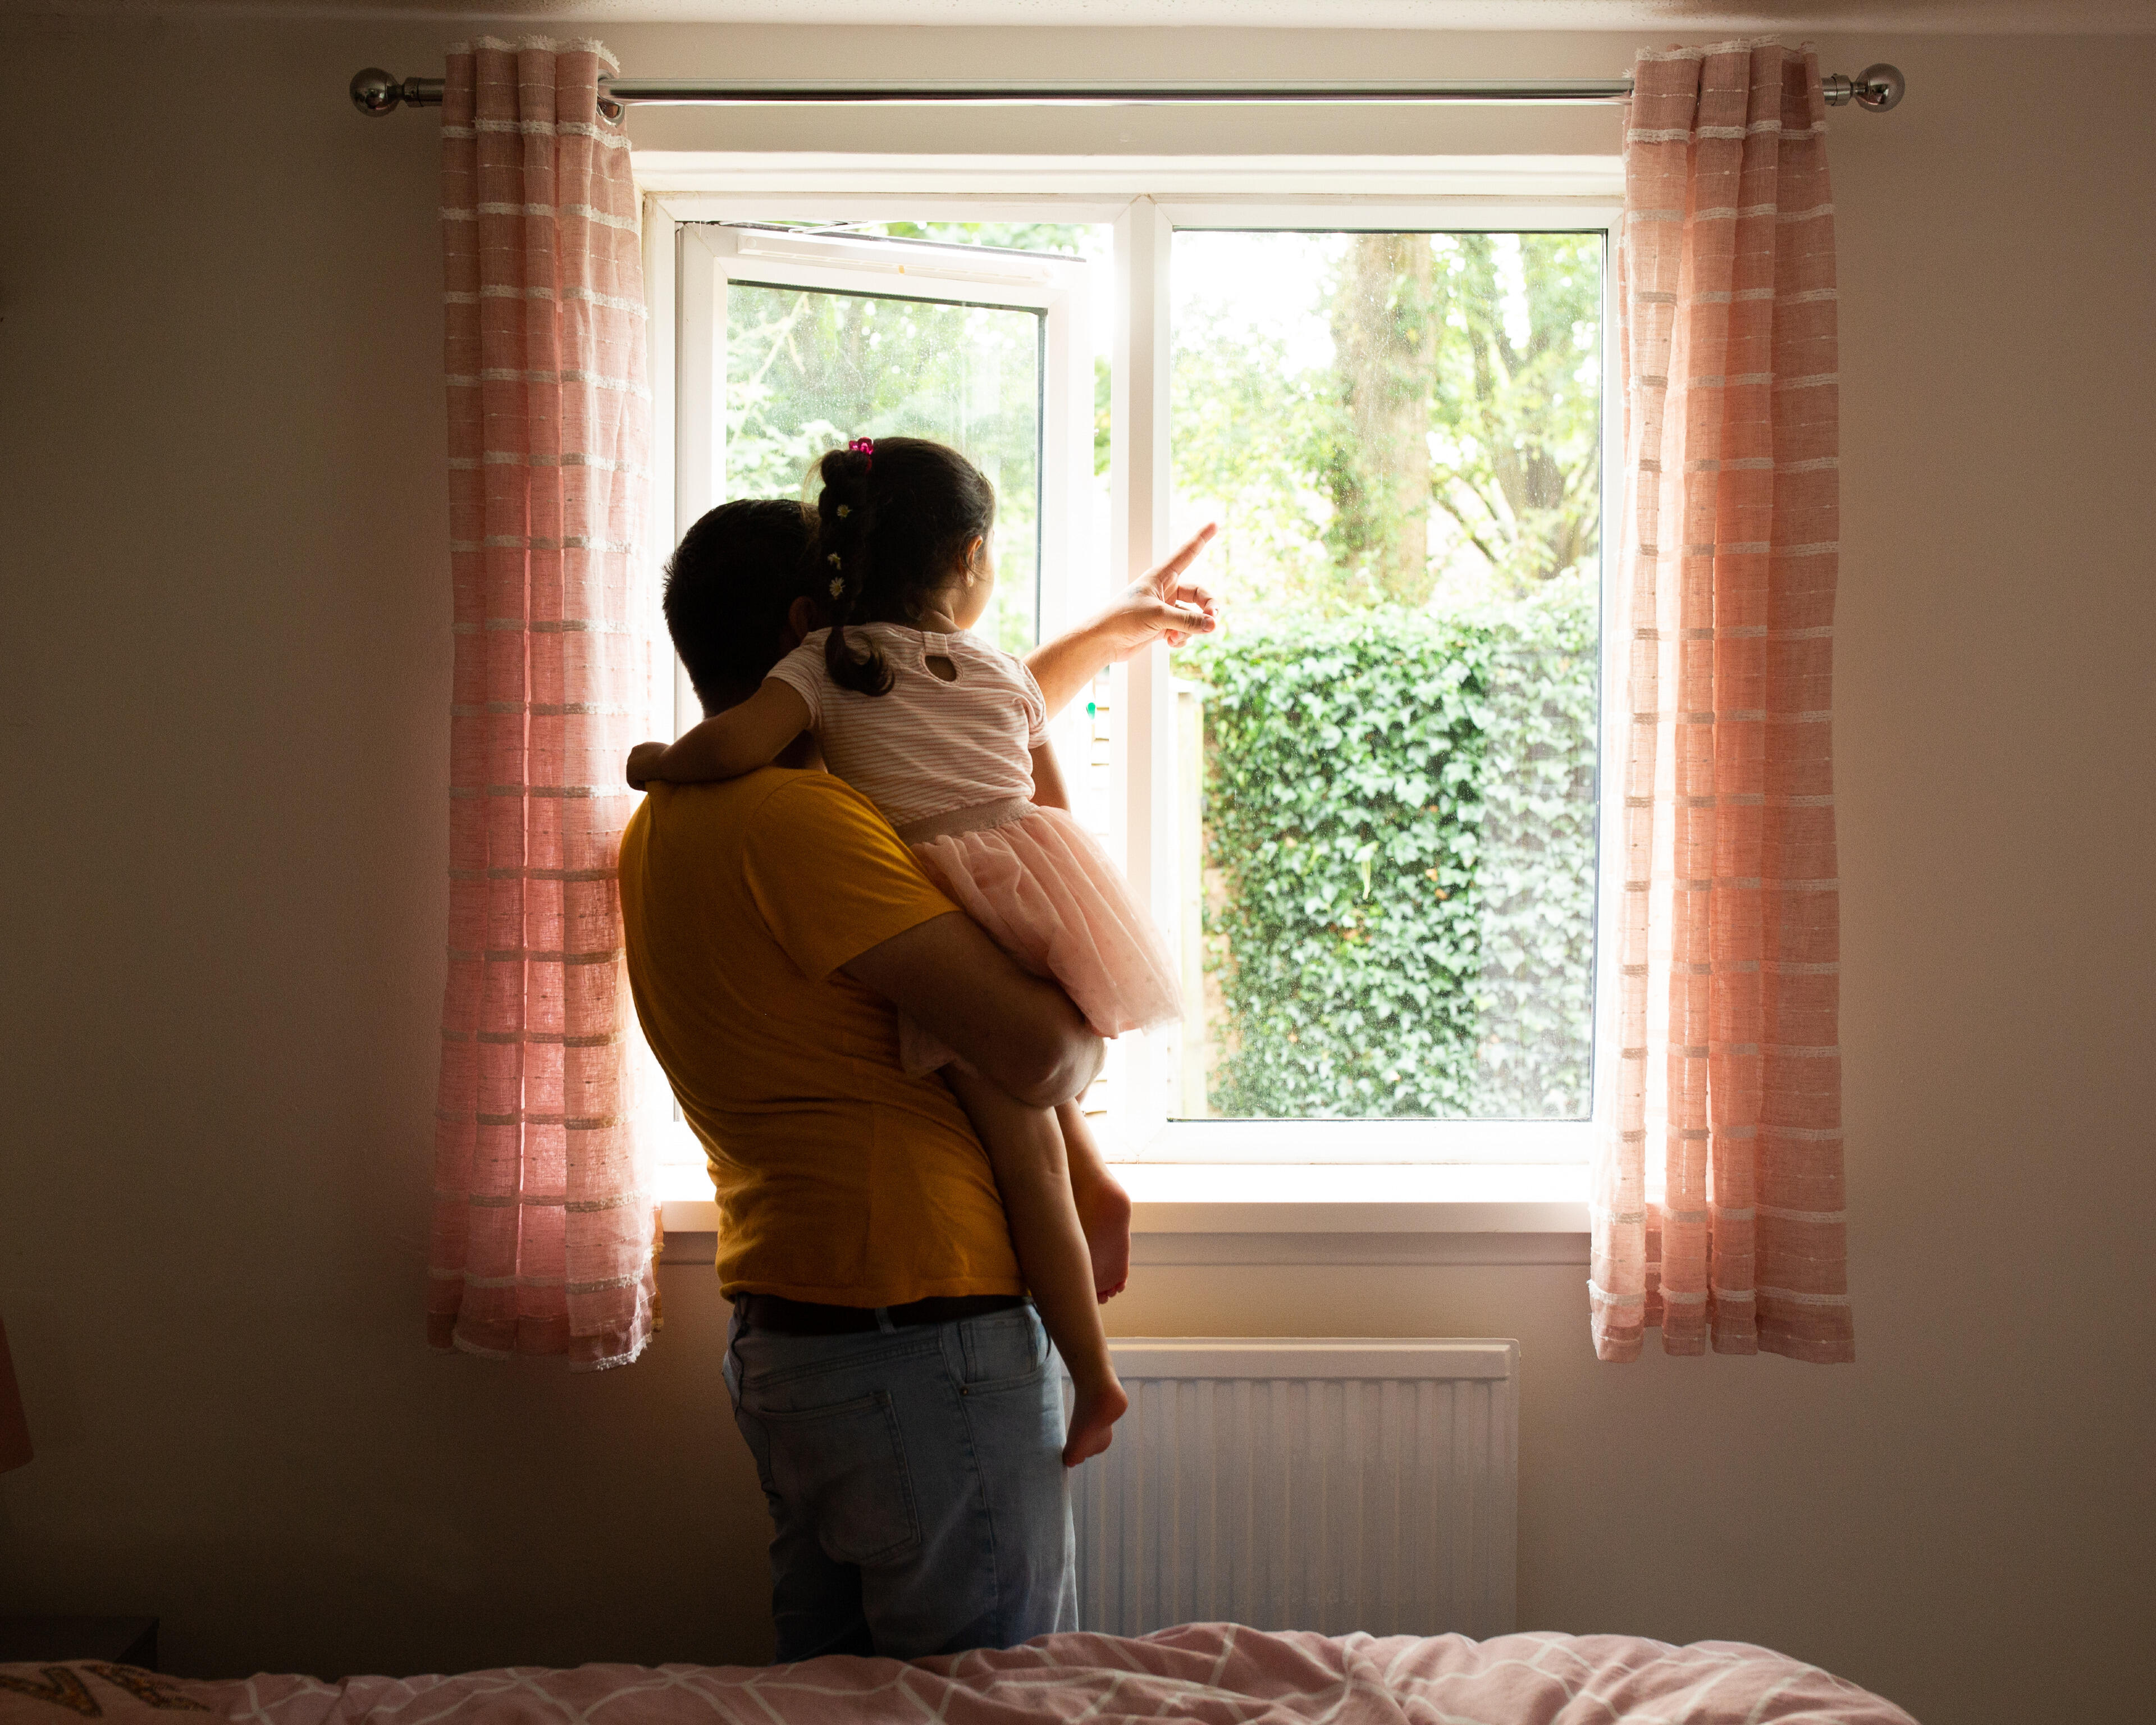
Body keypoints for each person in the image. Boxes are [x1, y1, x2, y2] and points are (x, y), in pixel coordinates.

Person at [617, 493, 1216, 1662]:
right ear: (809, 624)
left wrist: (1107, 634)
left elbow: (961, 723)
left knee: (832, 1693)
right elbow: (1038, 1051)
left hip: (791, 1337)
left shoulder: (666, 829)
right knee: (987, 1698)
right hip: (916, 1334)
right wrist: (1097, 1017)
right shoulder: (800, 821)